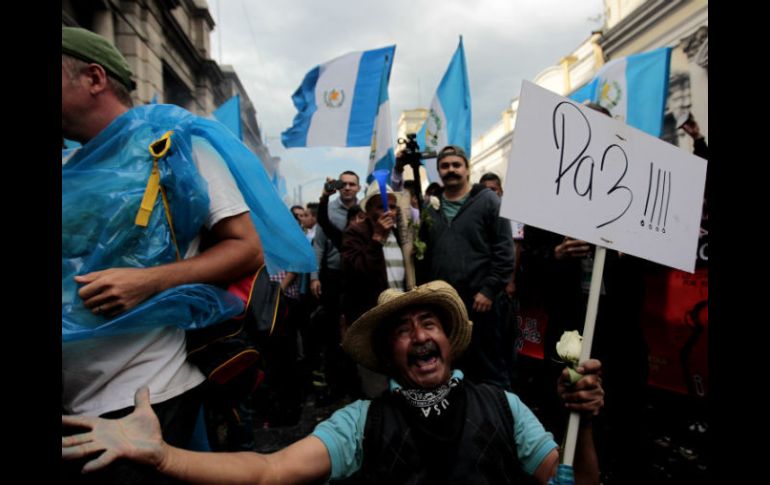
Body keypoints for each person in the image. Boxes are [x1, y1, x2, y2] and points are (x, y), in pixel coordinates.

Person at [63, 280, 605, 484]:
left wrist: (583, 420)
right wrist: (164, 456)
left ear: (447, 338)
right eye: (403, 330)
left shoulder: (503, 405)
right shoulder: (359, 423)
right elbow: (268, 470)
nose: (418, 336)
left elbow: (574, 482)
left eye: (429, 323)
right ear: (389, 356)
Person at [62, 27, 263, 482]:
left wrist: (147, 282)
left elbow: (247, 248)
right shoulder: (66, 168)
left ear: (94, 78)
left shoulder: (176, 148)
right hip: (72, 405)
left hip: (151, 398)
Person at [409, 145, 515, 390]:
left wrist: (489, 290)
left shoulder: (488, 201)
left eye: (456, 165)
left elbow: (504, 250)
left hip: (481, 304)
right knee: (453, 368)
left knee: (490, 370)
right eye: (445, 166)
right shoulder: (430, 210)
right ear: (439, 172)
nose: (451, 170)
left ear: (467, 169)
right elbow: (423, 256)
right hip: (445, 306)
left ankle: (500, 418)